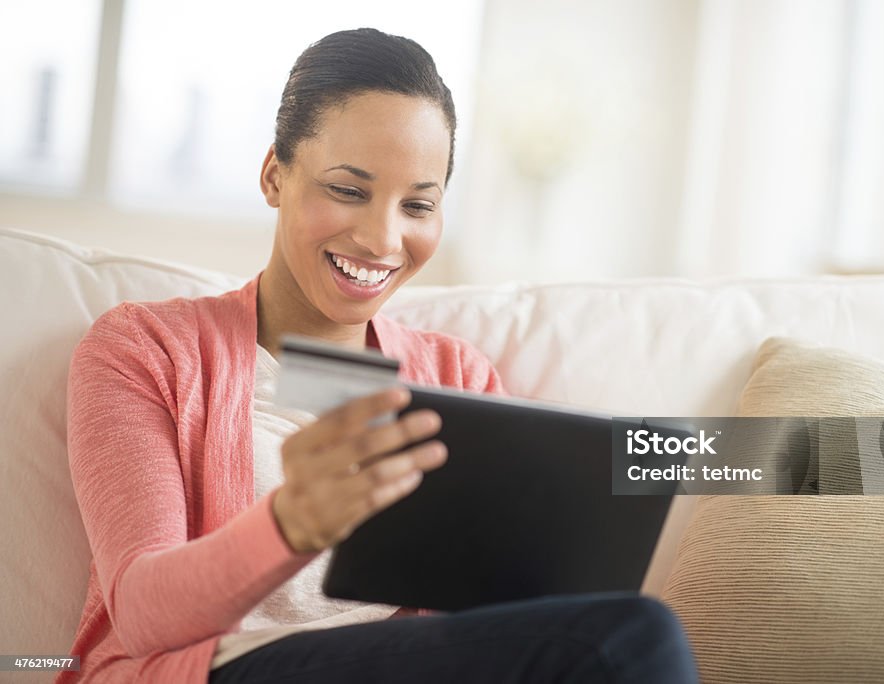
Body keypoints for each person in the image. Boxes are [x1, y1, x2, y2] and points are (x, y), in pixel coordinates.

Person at [60, 28, 700, 683]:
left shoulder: (458, 379)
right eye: (348, 189)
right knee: (629, 637)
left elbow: (494, 624)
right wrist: (289, 524)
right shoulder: (143, 350)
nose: (381, 237)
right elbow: (140, 616)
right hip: (216, 672)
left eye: (417, 205)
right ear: (275, 175)